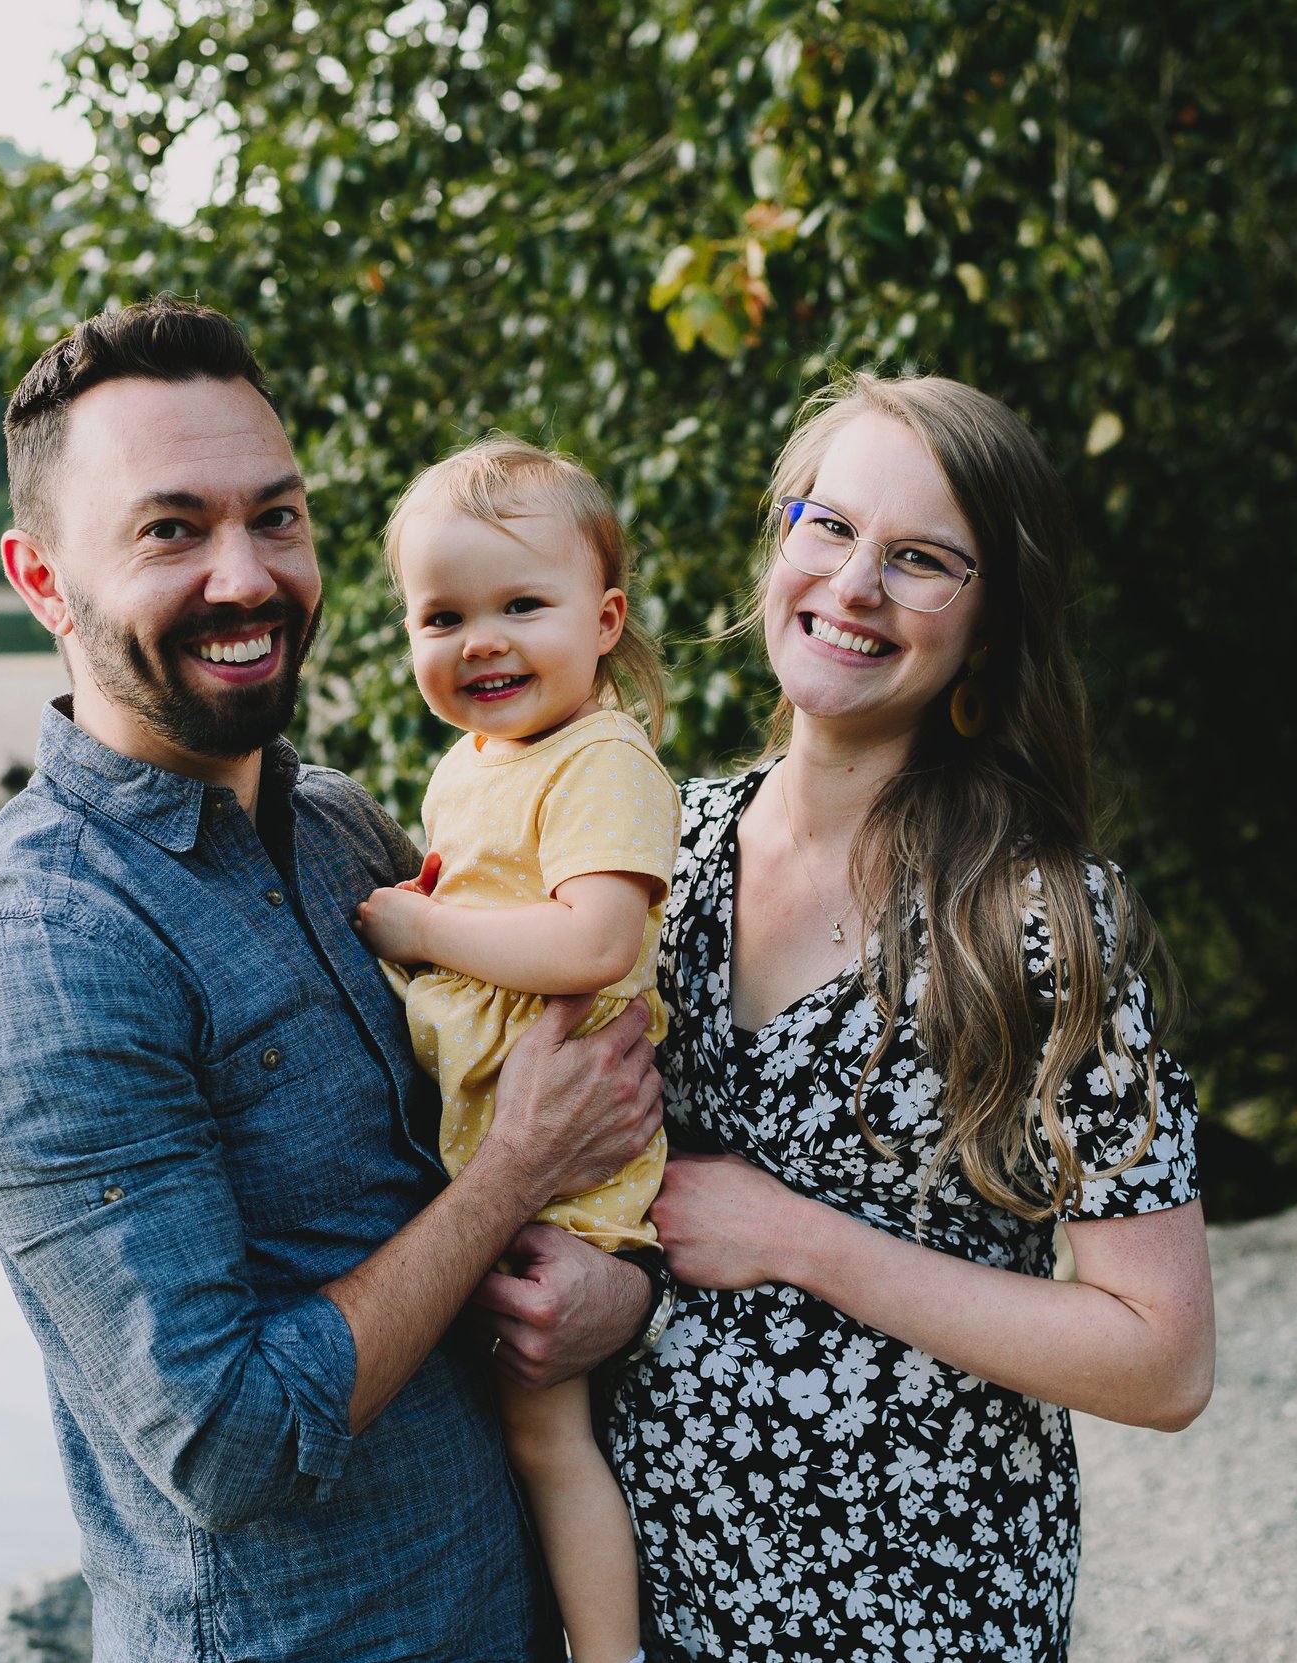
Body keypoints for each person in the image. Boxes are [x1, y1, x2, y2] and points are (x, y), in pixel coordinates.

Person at [0, 296, 664, 1663]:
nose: (248, 575)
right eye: (170, 527)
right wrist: (512, 1174)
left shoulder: (344, 835)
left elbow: (542, 1145)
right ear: (40, 580)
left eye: (279, 516)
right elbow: (228, 1437)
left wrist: (617, 1292)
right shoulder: (42, 953)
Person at [480, 372, 1216, 1662]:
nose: (855, 584)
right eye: (827, 526)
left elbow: (1161, 1363)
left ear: (989, 625)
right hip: (653, 1608)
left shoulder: (1036, 921)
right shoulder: (652, 855)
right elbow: (624, 1199)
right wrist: (607, 1289)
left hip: (918, 1620)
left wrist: (800, 1237)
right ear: (778, 544)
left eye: (923, 559)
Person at [352, 439, 678, 1663]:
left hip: (572, 1157)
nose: (479, 640)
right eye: (442, 615)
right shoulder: (473, 763)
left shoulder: (599, 758)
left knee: (549, 1439)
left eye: (519, 606)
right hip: (492, 1129)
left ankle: (608, 1655)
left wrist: (422, 925)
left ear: (601, 622)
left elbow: (594, 937)